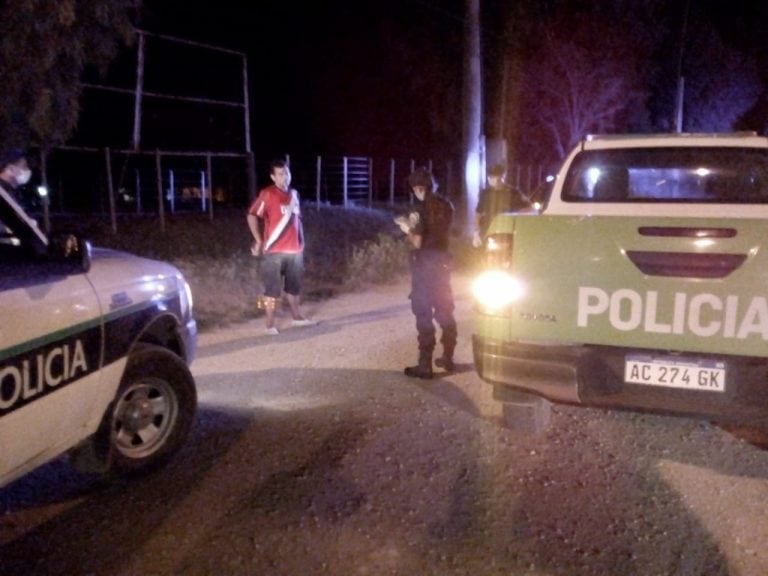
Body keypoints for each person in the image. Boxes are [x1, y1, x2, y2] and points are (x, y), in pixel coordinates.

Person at [395, 167, 457, 379]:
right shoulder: (447, 205)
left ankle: (425, 365)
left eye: (415, 189)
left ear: (418, 188)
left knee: (423, 311)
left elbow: (418, 241)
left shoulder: (419, 209)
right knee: (444, 309)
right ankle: (448, 358)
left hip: (425, 264)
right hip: (443, 263)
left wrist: (407, 229)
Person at [246, 159, 316, 335]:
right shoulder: (267, 194)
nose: (284, 176)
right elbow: (252, 215)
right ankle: (269, 325)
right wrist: (258, 239)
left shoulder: (294, 194)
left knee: (294, 286)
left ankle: (297, 318)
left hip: (295, 250)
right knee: (271, 290)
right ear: (272, 177)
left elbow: (297, 220)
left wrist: (301, 243)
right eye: (280, 173)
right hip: (274, 252)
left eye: (286, 172)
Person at [473, 163, 532, 247]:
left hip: (507, 231)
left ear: (502, 177)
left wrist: (516, 215)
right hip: (489, 230)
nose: (493, 179)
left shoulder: (513, 192)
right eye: (491, 177)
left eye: (496, 176)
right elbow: (478, 213)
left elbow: (529, 208)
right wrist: (476, 233)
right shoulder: (485, 193)